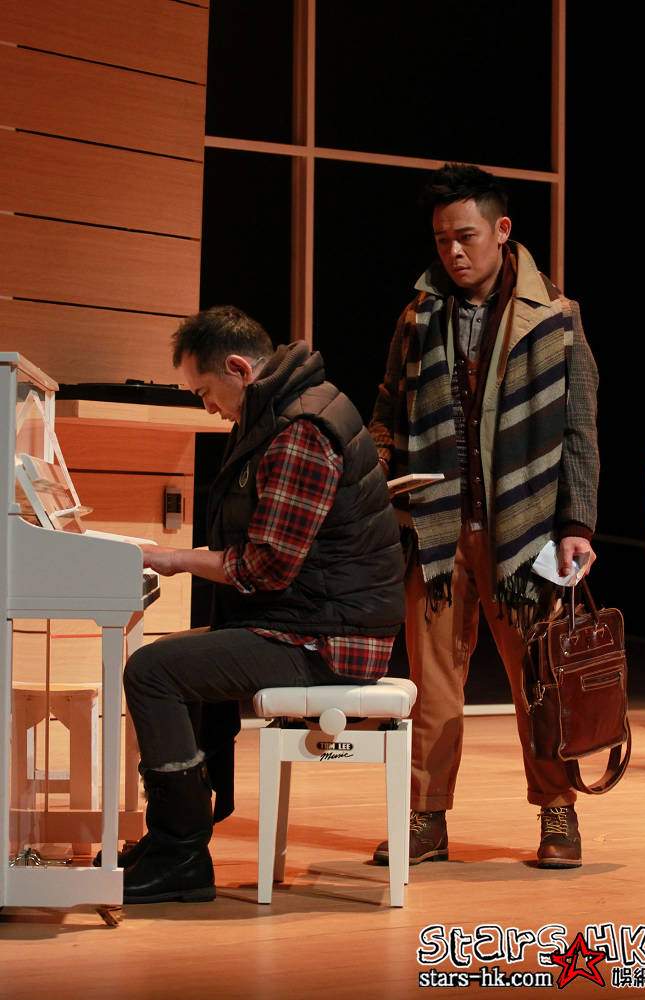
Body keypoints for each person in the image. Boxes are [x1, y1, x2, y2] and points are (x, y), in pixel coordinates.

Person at [120, 305, 405, 904]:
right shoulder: (284, 412)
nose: (208, 407)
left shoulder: (301, 429)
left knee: (152, 670)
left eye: (205, 392)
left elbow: (266, 566)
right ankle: (174, 840)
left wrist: (172, 558)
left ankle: (181, 855)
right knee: (176, 662)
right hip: (315, 620)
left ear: (238, 368)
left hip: (332, 639)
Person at [368, 164, 599, 869]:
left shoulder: (555, 316)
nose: (453, 251)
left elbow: (579, 429)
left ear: (502, 230)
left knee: (540, 679)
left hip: (523, 530)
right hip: (438, 528)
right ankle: (426, 818)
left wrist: (576, 525)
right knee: (431, 688)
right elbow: (388, 410)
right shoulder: (418, 316)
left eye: (465, 236)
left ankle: (558, 811)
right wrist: (382, 479)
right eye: (442, 240)